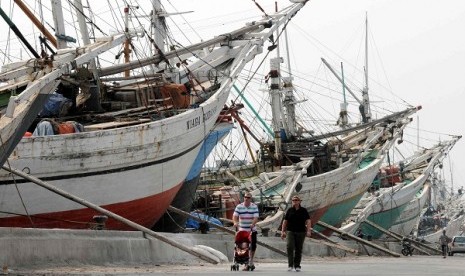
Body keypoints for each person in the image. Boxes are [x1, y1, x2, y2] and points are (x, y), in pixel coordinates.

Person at [281, 195, 311, 272]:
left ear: (299, 201)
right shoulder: (289, 210)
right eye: (293, 200)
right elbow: (285, 221)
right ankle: (290, 265)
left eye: (296, 200)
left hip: (301, 232)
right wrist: (283, 231)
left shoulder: (304, 210)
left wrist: (308, 231)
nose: (294, 201)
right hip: (290, 231)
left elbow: (308, 221)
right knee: (289, 246)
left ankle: (297, 265)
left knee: (298, 248)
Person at [233, 192, 259, 270]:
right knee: (242, 245)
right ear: (243, 198)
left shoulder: (254, 206)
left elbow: (255, 217)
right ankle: (242, 260)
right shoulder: (239, 206)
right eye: (245, 197)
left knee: (253, 245)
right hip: (242, 229)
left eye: (248, 197)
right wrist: (235, 222)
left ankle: (250, 260)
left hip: (251, 229)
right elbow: (235, 216)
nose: (246, 199)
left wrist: (253, 223)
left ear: (251, 199)